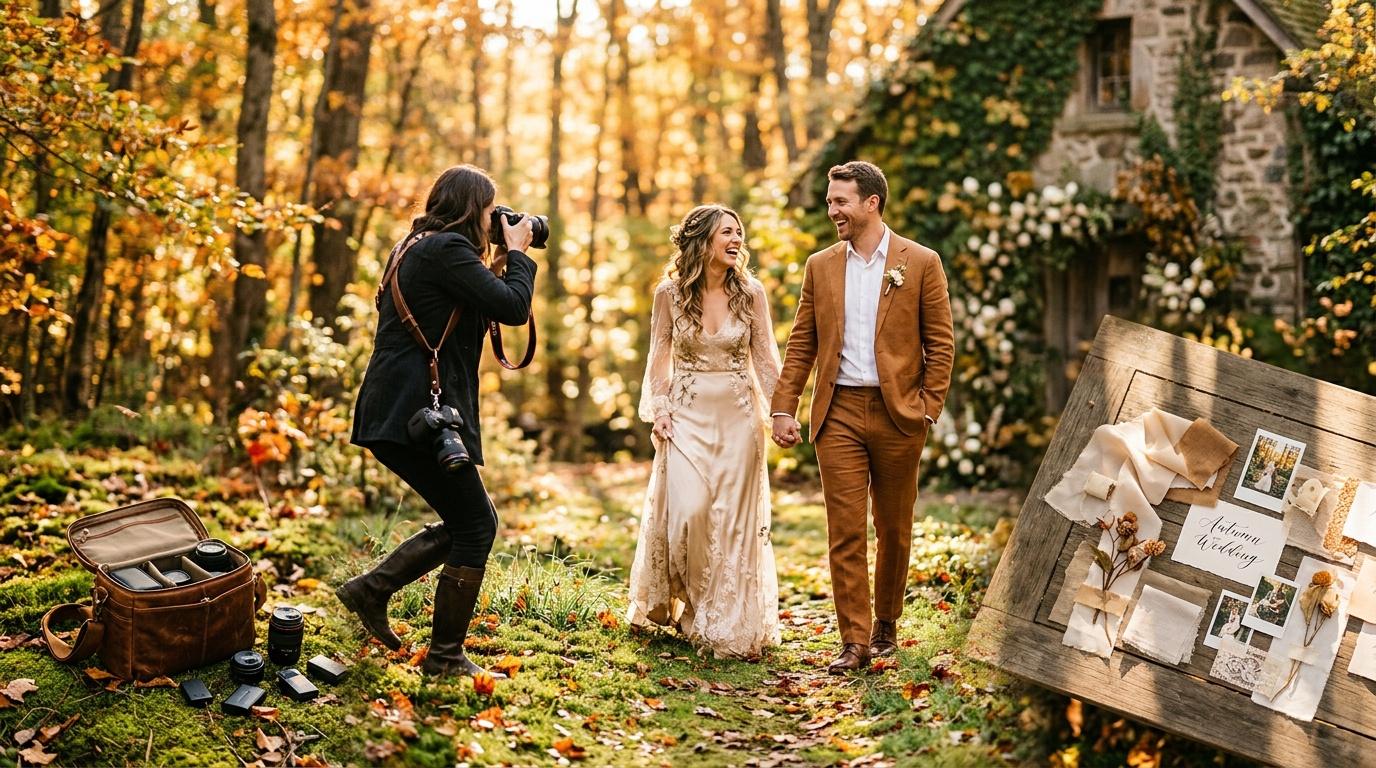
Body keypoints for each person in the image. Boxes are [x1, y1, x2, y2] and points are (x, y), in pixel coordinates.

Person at [339, 165, 537, 678]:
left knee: (466, 520)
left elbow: (472, 308)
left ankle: (371, 590)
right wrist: (517, 252)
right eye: (492, 210)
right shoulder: (445, 252)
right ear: (474, 209)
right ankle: (445, 657)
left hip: (401, 411)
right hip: (415, 414)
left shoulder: (416, 247)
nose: (498, 219)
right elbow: (514, 307)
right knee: (476, 525)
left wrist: (495, 255)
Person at [770, 161, 954, 674]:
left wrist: (927, 407)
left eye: (840, 202)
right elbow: (802, 341)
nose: (832, 211)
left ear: (871, 203)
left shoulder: (920, 262)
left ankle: (886, 623)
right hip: (840, 412)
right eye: (830, 202)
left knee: (893, 528)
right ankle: (853, 640)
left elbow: (940, 343)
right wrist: (784, 406)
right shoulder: (821, 265)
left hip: (900, 414)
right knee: (845, 529)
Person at [626, 204, 782, 659]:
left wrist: (782, 413)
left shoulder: (751, 294)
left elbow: (766, 361)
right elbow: (658, 359)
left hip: (739, 417)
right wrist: (660, 410)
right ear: (702, 241)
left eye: (739, 232)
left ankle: (719, 619)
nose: (736, 240)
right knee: (690, 514)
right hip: (687, 413)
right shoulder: (669, 295)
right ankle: (691, 602)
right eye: (726, 232)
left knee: (733, 525)